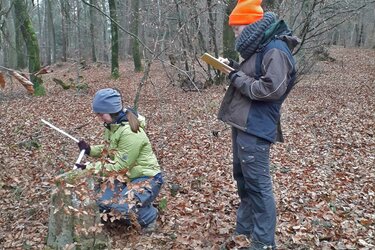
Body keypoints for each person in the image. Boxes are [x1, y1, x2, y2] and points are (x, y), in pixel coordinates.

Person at [218, 0, 299, 249]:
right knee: (243, 180)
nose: (235, 33)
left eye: (236, 28)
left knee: (259, 187)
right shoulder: (259, 47)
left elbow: (270, 89)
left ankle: (264, 242)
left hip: (256, 127)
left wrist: (235, 76)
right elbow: (252, 78)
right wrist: (233, 69)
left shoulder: (275, 49)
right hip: (243, 124)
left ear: (251, 24)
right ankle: (245, 230)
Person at [76, 88, 163, 231]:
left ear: (111, 111)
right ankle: (138, 203)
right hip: (127, 177)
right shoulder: (113, 126)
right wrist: (90, 149)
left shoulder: (130, 132)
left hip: (148, 177)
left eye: (101, 114)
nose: (99, 117)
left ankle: (150, 217)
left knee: (121, 207)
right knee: (101, 202)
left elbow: (120, 167)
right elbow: (110, 150)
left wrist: (90, 167)